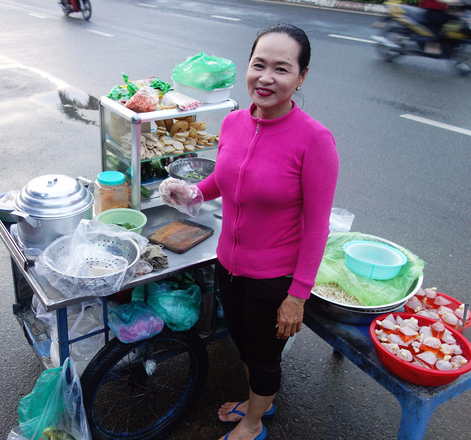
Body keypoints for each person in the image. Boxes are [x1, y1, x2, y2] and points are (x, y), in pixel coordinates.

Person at [160, 24, 339, 440]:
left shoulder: (315, 141)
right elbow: (225, 180)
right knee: (242, 341)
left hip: (273, 278)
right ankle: (259, 401)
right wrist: (192, 193)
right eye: (259, 65)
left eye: (282, 68)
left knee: (263, 356)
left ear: (302, 76)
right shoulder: (235, 122)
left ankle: (254, 422)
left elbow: (317, 228)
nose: (266, 78)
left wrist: (297, 296)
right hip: (229, 264)